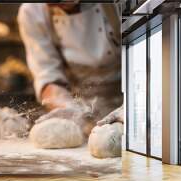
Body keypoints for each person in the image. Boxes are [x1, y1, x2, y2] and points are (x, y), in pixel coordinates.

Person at [18, 3, 124, 136]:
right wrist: (69, 108)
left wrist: (137, 103)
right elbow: (48, 77)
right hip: (83, 115)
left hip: (131, 102)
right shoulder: (32, 12)